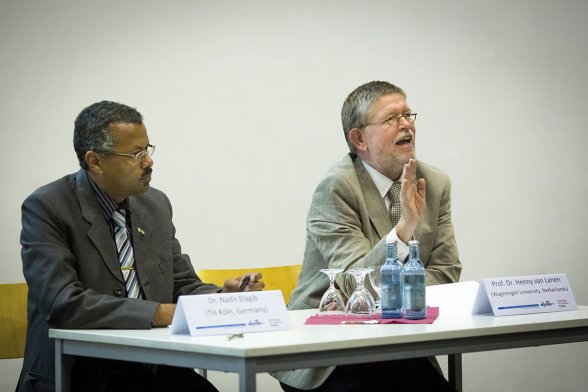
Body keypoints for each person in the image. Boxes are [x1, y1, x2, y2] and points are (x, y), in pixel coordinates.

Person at [17, 101, 264, 392]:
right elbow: (63, 303)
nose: (149, 162)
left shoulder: (155, 204)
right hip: (81, 372)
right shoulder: (48, 207)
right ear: (95, 161)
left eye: (148, 150)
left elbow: (181, 285)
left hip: (153, 365)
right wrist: (158, 313)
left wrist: (222, 299)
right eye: (136, 154)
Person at [271, 81, 462, 391]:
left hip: (399, 346)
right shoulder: (337, 188)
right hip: (329, 353)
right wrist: (403, 231)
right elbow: (351, 281)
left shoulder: (435, 182)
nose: (406, 125)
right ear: (359, 138)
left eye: (408, 114)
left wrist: (382, 300)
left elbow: (446, 273)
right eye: (391, 119)